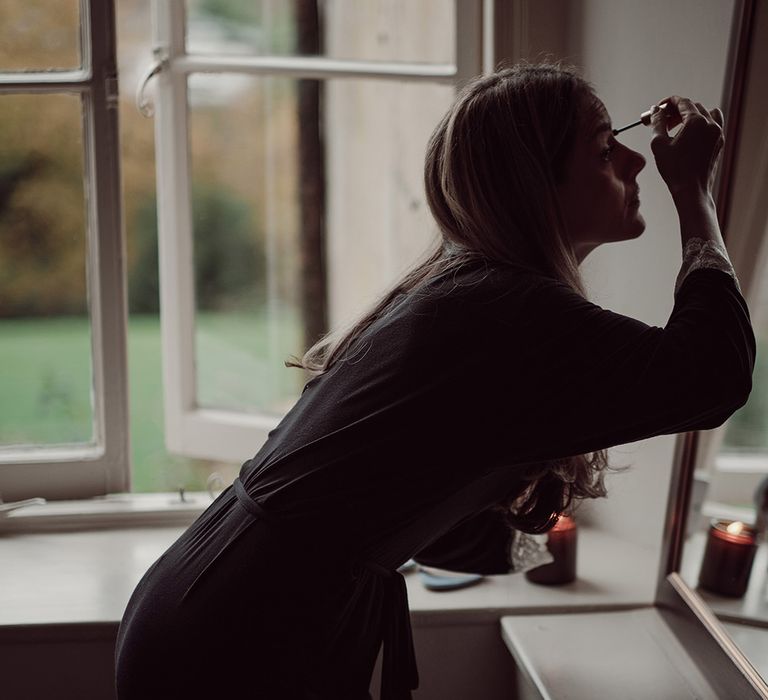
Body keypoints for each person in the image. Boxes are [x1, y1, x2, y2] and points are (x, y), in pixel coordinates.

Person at [115, 63, 755, 700]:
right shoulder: (508, 311)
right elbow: (713, 376)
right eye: (602, 148)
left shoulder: (473, 293)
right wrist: (694, 192)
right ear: (537, 183)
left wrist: (516, 551)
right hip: (244, 633)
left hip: (230, 606)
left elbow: (406, 480)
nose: (636, 163)